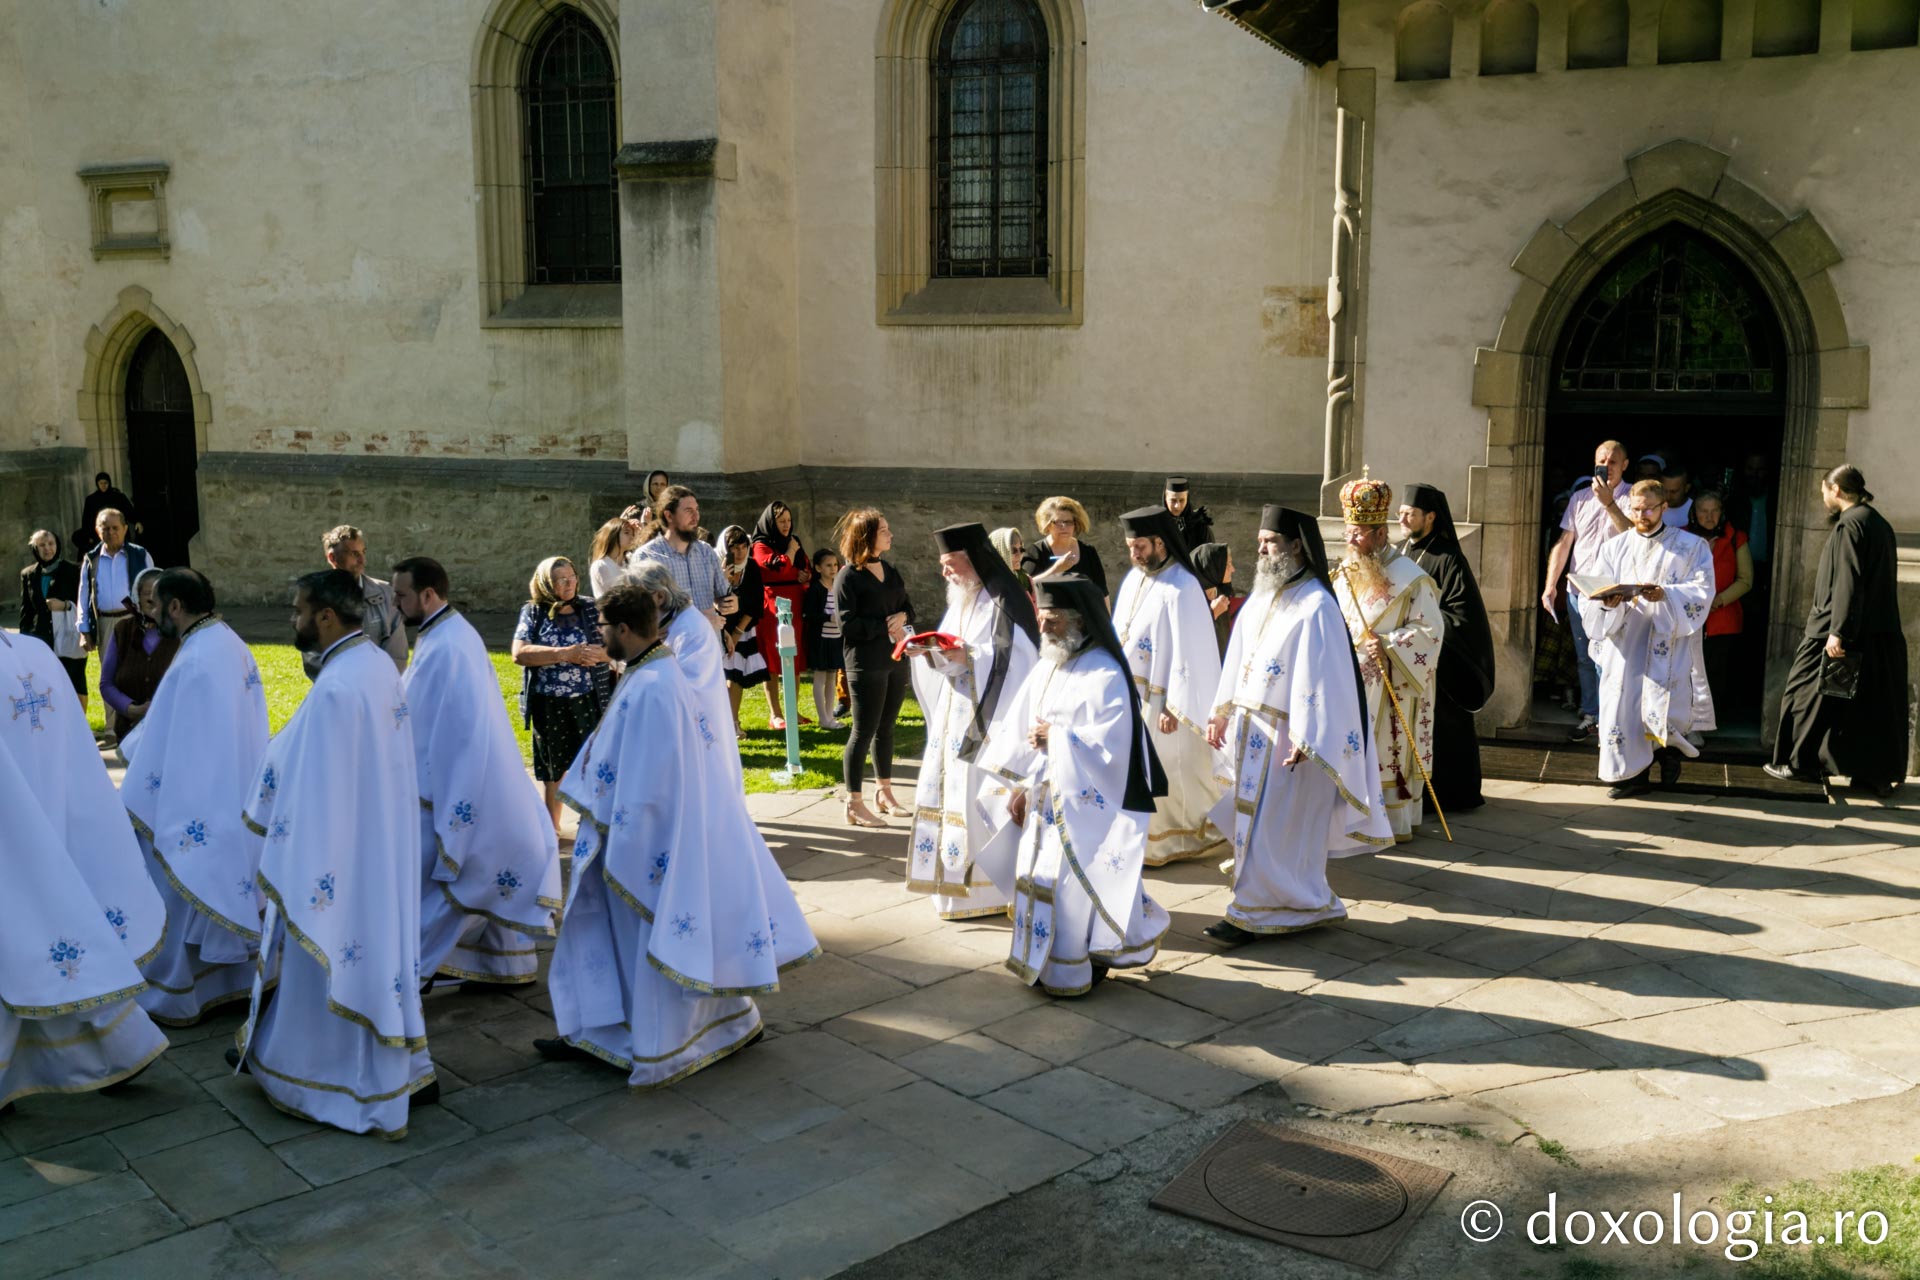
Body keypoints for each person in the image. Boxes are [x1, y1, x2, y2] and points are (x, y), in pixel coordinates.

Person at [536, 583, 820, 1085]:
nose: (599, 636)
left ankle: (662, 1045)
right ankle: (713, 1027)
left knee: (650, 940)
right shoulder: (658, 670)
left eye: (603, 627)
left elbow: (647, 785)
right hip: (670, 837)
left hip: (648, 843)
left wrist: (612, 834)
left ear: (624, 629)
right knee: (655, 941)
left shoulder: (651, 686)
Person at [227, 570, 435, 1133]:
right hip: (376, 844)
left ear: (324, 616)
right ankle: (401, 1065)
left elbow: (309, 781)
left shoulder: (340, 684)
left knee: (331, 952)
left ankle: (329, 1076)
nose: (291, 621)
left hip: (340, 852)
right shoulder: (372, 664)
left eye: (297, 611)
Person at [1203, 507, 1391, 945]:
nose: (1261, 547)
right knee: (1260, 827)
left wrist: (1309, 738)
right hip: (1254, 735)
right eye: (1261, 540)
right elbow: (1237, 658)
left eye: (1270, 540)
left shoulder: (1317, 605)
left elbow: (1324, 679)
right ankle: (1293, 902)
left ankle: (1260, 909)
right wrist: (1221, 711)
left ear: (1297, 545)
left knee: (1279, 828)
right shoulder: (1263, 597)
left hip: (1294, 743)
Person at [0, 625, 168, 1112]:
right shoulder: (35, 651)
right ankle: (122, 1049)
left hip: (13, 832)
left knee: (26, 942)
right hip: (57, 818)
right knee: (65, 932)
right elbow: (76, 748)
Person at [978, 575, 1170, 995]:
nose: (1043, 628)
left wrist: (1058, 739)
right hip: (1045, 798)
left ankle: (1073, 968)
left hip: (1086, 807)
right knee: (1036, 880)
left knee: (1069, 888)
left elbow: (1113, 748)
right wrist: (1020, 787)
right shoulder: (1049, 665)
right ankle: (1042, 963)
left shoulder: (1105, 672)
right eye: (1041, 619)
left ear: (1079, 620)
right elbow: (1021, 729)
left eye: (1053, 621)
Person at [394, 557, 560, 989]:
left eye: (402, 595)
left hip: (459, 785)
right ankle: (500, 964)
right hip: (477, 778)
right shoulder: (448, 633)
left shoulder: (447, 644)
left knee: (443, 884)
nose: (396, 604)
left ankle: (411, 971)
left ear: (428, 595)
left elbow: (434, 724)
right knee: (471, 881)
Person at [123, 567, 271, 1025]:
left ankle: (174, 991)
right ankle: (232, 985)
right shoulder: (230, 642)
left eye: (154, 605)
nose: (151, 614)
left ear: (175, 606)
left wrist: (133, 768)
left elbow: (167, 739)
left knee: (168, 877)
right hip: (235, 788)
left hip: (197, 795)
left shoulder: (194, 658)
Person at [904, 523, 1039, 921]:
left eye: (951, 565)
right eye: (942, 565)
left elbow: (1023, 662)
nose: (944, 573)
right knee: (950, 796)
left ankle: (987, 891)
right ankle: (951, 889)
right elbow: (949, 650)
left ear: (974, 561)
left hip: (989, 723)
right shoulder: (961, 600)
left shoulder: (1003, 601)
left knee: (980, 800)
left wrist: (972, 659)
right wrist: (927, 652)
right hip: (954, 719)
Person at [1766, 465, 1908, 798]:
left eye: (1825, 491)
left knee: (1803, 693)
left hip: (1835, 631)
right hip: (1874, 633)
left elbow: (1848, 582)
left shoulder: (1851, 525)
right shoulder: (1876, 522)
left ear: (1837, 490)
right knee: (1865, 705)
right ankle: (1871, 775)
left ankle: (1800, 763)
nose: (1824, 497)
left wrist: (1837, 632)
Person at [1575, 480, 1715, 798]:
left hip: (1665, 641)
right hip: (1625, 642)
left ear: (1664, 508)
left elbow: (1702, 590)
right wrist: (1606, 602)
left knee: (1663, 707)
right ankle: (1631, 776)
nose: (1642, 515)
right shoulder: (1614, 548)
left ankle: (1666, 756)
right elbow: (1596, 590)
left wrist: (1666, 594)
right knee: (1623, 706)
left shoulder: (1691, 547)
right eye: (1636, 509)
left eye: (1649, 508)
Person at [1111, 504, 1227, 865]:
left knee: (1173, 771)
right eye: (1130, 546)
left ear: (1160, 542)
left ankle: (1177, 841)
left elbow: (1190, 652)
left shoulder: (1183, 585)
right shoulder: (1135, 579)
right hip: (1133, 695)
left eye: (1139, 546)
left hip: (1165, 703)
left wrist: (1173, 707)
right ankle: (1141, 841)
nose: (1134, 553)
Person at [1332, 473, 1442, 842]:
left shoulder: (1412, 579)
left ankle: (1387, 824)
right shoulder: (1344, 572)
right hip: (1349, 680)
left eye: (1359, 533)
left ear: (1381, 534)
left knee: (1384, 753)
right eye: (1348, 531)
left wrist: (1391, 643)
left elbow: (1431, 632)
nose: (1351, 541)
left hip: (1391, 683)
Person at [1400, 484, 1495, 812]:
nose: (1403, 517)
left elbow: (1462, 613)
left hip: (1440, 662)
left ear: (1430, 517)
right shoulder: (1402, 552)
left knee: (1445, 730)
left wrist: (1425, 625)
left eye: (1410, 513)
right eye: (1401, 511)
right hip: (1406, 657)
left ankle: (1453, 794)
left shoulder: (1449, 557)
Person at [512, 557, 613, 830]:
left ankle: (590, 825)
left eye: (572, 577)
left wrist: (600, 654)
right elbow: (519, 653)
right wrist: (566, 654)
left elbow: (618, 646)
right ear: (546, 583)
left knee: (590, 765)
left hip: (588, 699)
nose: (569, 584)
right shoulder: (534, 612)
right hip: (548, 701)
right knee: (553, 769)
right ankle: (551, 829)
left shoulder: (591, 607)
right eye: (561, 580)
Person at [1541, 440, 1632, 740]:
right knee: (1584, 657)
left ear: (1624, 465)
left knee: (1609, 658)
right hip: (1578, 592)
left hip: (1612, 595)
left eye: (1613, 461)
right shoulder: (1579, 498)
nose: (1607, 466)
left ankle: (1610, 719)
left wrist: (1609, 503)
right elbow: (1565, 542)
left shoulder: (1632, 496)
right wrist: (1550, 585)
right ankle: (1590, 713)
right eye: (1602, 460)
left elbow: (1633, 538)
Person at [629, 557, 742, 789]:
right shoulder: (670, 622)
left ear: (659, 596)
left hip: (696, 733)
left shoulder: (689, 628)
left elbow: (688, 685)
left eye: (637, 598)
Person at [833, 508, 915, 827]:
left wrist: (904, 618)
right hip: (865, 663)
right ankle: (854, 803)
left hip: (894, 659)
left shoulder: (890, 570)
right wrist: (885, 625)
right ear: (866, 535)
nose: (890, 533)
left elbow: (907, 606)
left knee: (887, 729)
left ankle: (884, 793)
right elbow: (848, 624)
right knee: (862, 731)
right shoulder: (848, 577)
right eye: (883, 530)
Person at [300, 525, 408, 679]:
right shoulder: (315, 598)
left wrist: (380, 685)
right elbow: (313, 657)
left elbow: (397, 654)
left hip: (381, 689)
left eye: (363, 552)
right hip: (338, 690)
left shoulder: (386, 593)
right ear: (332, 558)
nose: (362, 560)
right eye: (354, 553)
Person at [1689, 491, 1752, 735]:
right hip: (1690, 617)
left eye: (1714, 510)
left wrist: (1718, 600)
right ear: (1694, 513)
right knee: (1688, 671)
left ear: (1722, 512)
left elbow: (1746, 580)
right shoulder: (1681, 536)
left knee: (1715, 673)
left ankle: (1705, 725)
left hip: (1721, 618)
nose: (1709, 516)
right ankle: (1687, 722)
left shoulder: (1736, 537)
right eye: (1703, 511)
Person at [631, 485, 739, 623]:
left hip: (710, 641)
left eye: (697, 510)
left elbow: (722, 596)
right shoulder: (647, 557)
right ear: (669, 515)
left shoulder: (706, 552)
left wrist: (729, 603)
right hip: (673, 643)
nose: (696, 517)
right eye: (689, 511)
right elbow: (642, 615)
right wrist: (698, 621)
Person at [750, 502, 812, 728]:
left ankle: (792, 710)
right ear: (771, 522)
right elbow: (773, 569)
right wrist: (791, 555)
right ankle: (775, 714)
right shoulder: (760, 544)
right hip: (773, 604)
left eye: (788, 520)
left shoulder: (793, 541)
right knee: (773, 660)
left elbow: (806, 570)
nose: (786, 525)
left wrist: (799, 573)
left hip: (795, 602)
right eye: (781, 521)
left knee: (792, 657)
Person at [99, 568, 179, 743]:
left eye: (160, 593)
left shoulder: (179, 633)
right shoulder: (123, 630)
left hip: (172, 731)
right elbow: (106, 683)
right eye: (147, 593)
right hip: (130, 732)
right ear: (137, 598)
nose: (153, 599)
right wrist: (130, 709)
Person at [77, 510, 151, 677]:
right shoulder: (91, 559)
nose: (111, 532)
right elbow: (83, 595)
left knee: (137, 674)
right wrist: (84, 630)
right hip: (104, 624)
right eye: (105, 528)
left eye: (115, 528)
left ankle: (138, 704)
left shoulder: (140, 555)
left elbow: (153, 590)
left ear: (125, 529)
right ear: (98, 531)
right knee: (110, 677)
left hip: (134, 621)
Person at [19, 529, 86, 706]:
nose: (47, 548)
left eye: (51, 544)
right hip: (41, 636)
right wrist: (24, 640)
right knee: (46, 684)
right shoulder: (28, 574)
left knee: (74, 680)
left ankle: (78, 726)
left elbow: (83, 603)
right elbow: (26, 610)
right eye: (42, 545)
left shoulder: (73, 570)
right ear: (35, 548)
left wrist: (64, 605)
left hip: (68, 634)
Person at [713, 526, 767, 731]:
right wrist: (724, 580)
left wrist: (736, 634)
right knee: (719, 676)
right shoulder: (715, 566)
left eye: (743, 547)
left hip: (742, 628)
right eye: (734, 548)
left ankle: (733, 721)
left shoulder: (751, 567)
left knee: (736, 676)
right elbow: (712, 601)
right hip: (718, 627)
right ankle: (719, 722)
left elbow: (755, 603)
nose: (739, 553)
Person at [1021, 496, 1109, 602]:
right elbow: (1023, 589)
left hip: (1085, 617)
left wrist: (1107, 618)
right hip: (1048, 617)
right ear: (1047, 525)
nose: (1064, 527)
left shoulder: (1088, 552)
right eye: (1058, 522)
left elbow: (1102, 593)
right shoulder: (1035, 552)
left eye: (1068, 522)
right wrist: (1056, 570)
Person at [802, 545, 845, 730]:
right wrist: (829, 617)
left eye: (835, 564)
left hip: (836, 638)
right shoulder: (815, 590)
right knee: (820, 677)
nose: (833, 568)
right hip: (821, 640)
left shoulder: (838, 587)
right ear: (818, 568)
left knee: (832, 677)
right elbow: (808, 614)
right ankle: (823, 717)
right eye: (828, 565)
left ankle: (829, 716)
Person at [1191, 541, 1240, 657]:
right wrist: (1212, 614)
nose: (1233, 569)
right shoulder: (1189, 598)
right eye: (1228, 564)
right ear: (1211, 568)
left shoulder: (1219, 593)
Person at [76, 471, 137, 553]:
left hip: (118, 532)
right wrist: (88, 536)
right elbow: (86, 519)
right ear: (97, 484)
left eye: (105, 483)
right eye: (101, 483)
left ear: (109, 483)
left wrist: (137, 521)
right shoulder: (91, 500)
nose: (103, 486)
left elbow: (128, 511)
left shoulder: (118, 497)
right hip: (99, 535)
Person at [588, 516, 638, 600]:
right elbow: (613, 597)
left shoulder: (631, 560)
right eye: (627, 533)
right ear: (613, 534)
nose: (632, 537)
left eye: (633, 534)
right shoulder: (601, 565)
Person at [1164, 476, 1214, 550]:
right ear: (1165, 499)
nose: (1177, 506)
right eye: (1173, 500)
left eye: (1182, 500)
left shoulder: (1199, 524)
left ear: (1187, 499)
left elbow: (1208, 555)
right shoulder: (1158, 524)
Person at [989, 527, 1030, 596]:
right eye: (1013, 550)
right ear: (999, 552)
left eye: (1021, 549)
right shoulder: (994, 587)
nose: (1019, 554)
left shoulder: (1023, 578)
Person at [1660, 463, 1695, 528]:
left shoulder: (1695, 509)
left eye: (1673, 492)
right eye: (1665, 490)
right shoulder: (1652, 508)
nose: (1668, 496)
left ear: (1687, 488)